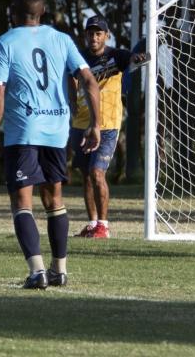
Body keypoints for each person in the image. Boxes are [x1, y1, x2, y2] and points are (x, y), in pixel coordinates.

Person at [0, 0, 102, 289]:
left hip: (23, 132)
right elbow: (90, 82)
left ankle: (37, 271)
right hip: (56, 131)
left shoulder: (5, 43)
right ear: (44, 9)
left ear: (14, 10)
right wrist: (96, 123)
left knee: (22, 203)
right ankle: (59, 269)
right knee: (55, 201)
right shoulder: (62, 40)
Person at [68, 16, 149, 239]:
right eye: (90, 33)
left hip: (108, 125)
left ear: (106, 35)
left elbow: (132, 60)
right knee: (85, 175)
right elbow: (70, 76)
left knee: (97, 172)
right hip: (80, 124)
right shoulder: (79, 58)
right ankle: (92, 224)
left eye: (98, 33)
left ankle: (104, 226)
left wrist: (138, 58)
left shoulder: (116, 56)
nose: (94, 37)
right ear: (85, 35)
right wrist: (72, 100)